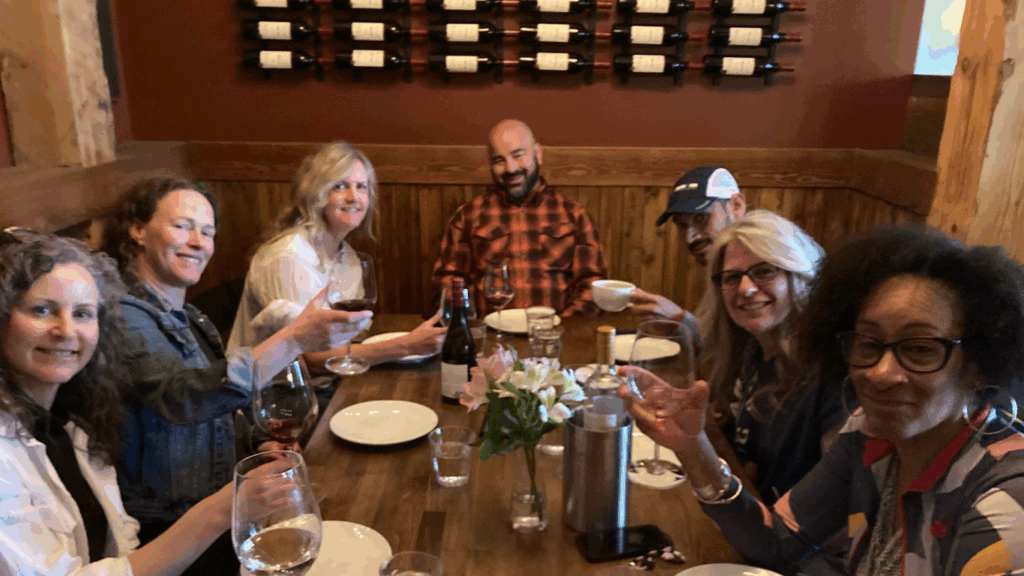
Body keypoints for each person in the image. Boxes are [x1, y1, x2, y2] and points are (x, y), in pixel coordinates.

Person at [622, 225, 1024, 575]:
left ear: (979, 364)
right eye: (868, 344)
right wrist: (693, 446)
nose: (881, 373)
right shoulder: (867, 436)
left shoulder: (1005, 503)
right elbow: (776, 543)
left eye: (920, 349)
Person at [100, 177, 370, 575]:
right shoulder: (123, 314)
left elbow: (215, 413)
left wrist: (255, 448)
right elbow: (181, 398)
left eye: (207, 232)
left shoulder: (184, 316)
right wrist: (295, 338)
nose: (198, 241)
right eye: (182, 226)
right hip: (168, 536)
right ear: (137, 230)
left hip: (218, 509)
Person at [0, 230, 237, 574]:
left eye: (82, 314)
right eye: (42, 310)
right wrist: (216, 515)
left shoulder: (74, 415)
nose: (66, 330)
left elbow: (121, 541)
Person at [228, 141, 445, 369]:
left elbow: (347, 340)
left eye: (361, 186)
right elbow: (311, 359)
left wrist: (409, 341)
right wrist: (406, 346)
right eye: (340, 186)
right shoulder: (288, 256)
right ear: (315, 194)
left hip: (326, 383)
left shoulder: (347, 255)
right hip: (272, 394)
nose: (354, 197)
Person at [695, 210, 841, 504]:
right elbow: (756, 463)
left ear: (799, 273)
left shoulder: (830, 372)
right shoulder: (755, 349)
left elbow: (837, 508)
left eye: (765, 271)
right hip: (753, 516)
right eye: (732, 277)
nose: (746, 289)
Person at [432, 119, 608, 316]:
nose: (511, 168)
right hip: (489, 337)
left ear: (538, 154)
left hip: (556, 337)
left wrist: (560, 329)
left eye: (518, 155)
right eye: (499, 160)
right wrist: (470, 326)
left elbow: (593, 285)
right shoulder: (467, 216)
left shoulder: (574, 215)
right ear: (490, 164)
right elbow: (448, 281)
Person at [630, 166, 747, 323]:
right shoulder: (722, 267)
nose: (690, 238)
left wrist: (681, 320)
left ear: (736, 206)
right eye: (682, 225)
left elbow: (748, 346)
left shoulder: (760, 265)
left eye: (701, 218)